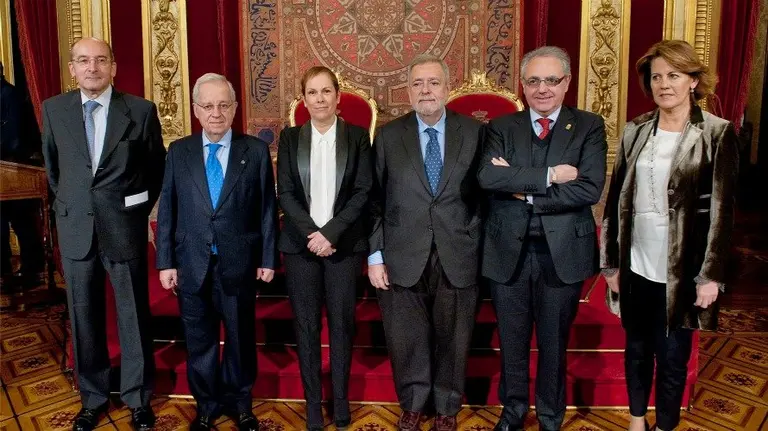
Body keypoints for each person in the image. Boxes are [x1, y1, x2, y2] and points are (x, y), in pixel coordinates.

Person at [601, 39, 738, 431]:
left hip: (684, 266)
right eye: (657, 77)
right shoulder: (635, 130)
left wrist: (710, 275)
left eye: (674, 75)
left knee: (673, 356)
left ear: (693, 81)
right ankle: (636, 420)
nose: (664, 84)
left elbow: (723, 212)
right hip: (636, 260)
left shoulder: (716, 133)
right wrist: (610, 263)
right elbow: (615, 200)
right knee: (637, 350)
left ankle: (664, 426)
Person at [478, 46, 607, 431]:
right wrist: (551, 176)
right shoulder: (501, 127)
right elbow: (489, 178)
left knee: (553, 342)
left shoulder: (588, 125)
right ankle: (513, 411)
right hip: (508, 250)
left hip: (562, 252)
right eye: (533, 80)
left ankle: (550, 416)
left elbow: (588, 189)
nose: (542, 89)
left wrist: (521, 188)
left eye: (552, 80)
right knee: (512, 340)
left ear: (567, 82)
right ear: (522, 84)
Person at [41, 37, 165, 431]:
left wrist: (132, 210)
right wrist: (75, 205)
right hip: (76, 227)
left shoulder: (140, 110)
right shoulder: (53, 110)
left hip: (124, 228)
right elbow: (54, 171)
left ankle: (138, 398)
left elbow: (155, 170)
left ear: (113, 66)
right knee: (83, 317)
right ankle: (92, 399)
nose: (92, 68)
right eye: (83, 61)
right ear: (72, 68)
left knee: (133, 315)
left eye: (99, 60)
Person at [368, 54, 484, 431]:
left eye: (433, 82)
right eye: (417, 83)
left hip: (458, 250)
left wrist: (476, 239)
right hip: (402, 253)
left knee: (455, 336)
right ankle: (414, 403)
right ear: (408, 91)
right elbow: (374, 200)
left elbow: (488, 196)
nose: (426, 90)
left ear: (448, 88)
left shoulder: (475, 132)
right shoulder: (388, 136)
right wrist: (375, 255)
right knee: (406, 337)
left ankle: (448, 407)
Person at [155, 72, 277, 431]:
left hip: (239, 262)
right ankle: (206, 405)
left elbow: (267, 210)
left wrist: (268, 258)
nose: (216, 113)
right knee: (199, 340)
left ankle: (241, 404)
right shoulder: (179, 152)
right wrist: (165, 262)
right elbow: (168, 209)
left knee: (240, 338)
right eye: (208, 106)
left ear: (235, 108)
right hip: (191, 263)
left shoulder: (254, 151)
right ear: (196, 110)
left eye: (224, 105)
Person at [276, 66, 372, 430]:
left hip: (343, 246)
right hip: (301, 247)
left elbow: (363, 191)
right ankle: (313, 403)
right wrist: (313, 235)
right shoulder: (290, 138)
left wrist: (330, 234)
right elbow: (286, 192)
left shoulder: (357, 137)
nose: (319, 99)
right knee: (306, 326)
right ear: (303, 99)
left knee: (343, 324)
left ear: (337, 96)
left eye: (326, 91)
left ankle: (341, 401)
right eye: (312, 92)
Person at [1, 61, 45, 288]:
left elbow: (13, 137)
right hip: (7, 173)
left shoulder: (9, 95)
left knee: (24, 224)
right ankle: (8, 272)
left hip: (17, 172)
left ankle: (31, 271)